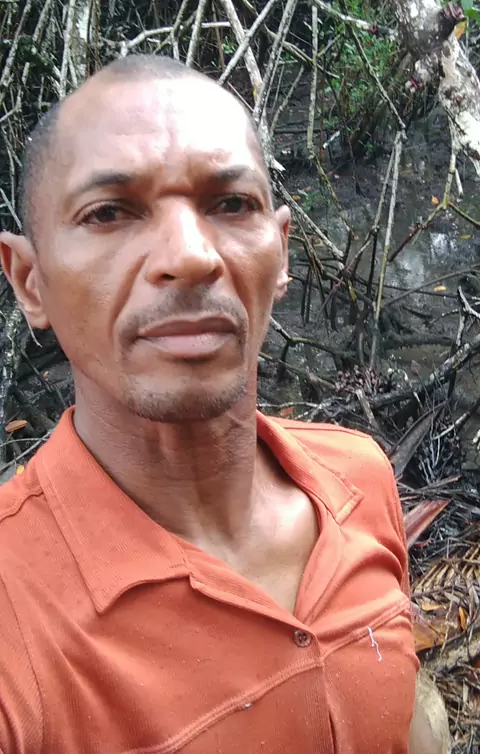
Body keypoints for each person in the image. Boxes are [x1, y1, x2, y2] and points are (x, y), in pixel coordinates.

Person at [0, 54, 441, 753]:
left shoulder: (358, 476)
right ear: (30, 281)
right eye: (109, 213)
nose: (191, 255)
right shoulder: (16, 616)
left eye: (231, 204)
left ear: (283, 252)